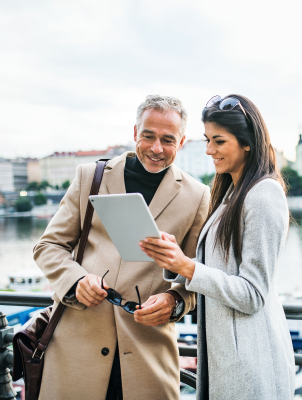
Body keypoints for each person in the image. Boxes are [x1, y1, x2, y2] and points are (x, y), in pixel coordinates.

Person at [33, 95, 210, 400]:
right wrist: (76, 282)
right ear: (134, 133)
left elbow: (197, 276)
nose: (156, 148)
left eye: (167, 140)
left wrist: (174, 302)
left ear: (181, 142)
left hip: (148, 354)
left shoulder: (198, 196)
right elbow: (48, 246)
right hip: (76, 350)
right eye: (148, 136)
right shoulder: (90, 177)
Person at [139, 94, 296, 399]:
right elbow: (218, 270)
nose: (209, 150)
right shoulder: (231, 193)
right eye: (208, 140)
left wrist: (187, 266)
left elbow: (252, 294)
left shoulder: (264, 195)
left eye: (219, 141)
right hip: (228, 363)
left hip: (251, 366)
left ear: (247, 142)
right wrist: (177, 261)